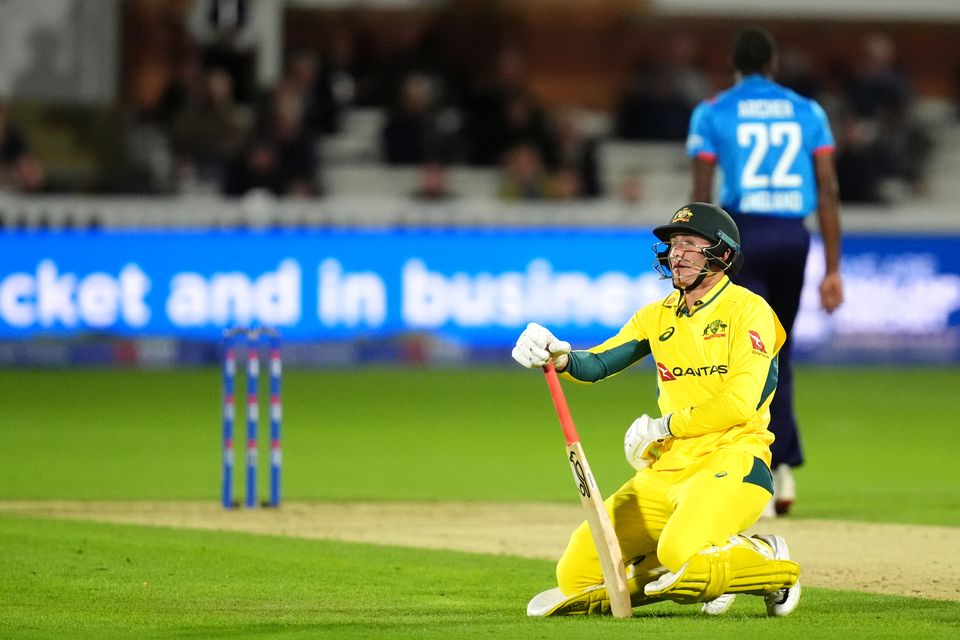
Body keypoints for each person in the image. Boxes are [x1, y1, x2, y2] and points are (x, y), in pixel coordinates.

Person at [513, 202, 800, 618]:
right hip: (667, 470)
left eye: (689, 244)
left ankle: (767, 558)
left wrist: (665, 426)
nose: (676, 254)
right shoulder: (657, 315)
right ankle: (702, 564)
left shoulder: (749, 310)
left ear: (722, 253)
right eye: (672, 245)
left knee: (680, 550)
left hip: (734, 460)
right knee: (575, 575)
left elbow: (739, 403)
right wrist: (559, 356)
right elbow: (599, 362)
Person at [686, 27, 843, 517]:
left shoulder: (713, 111)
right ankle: (783, 468)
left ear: (733, 63)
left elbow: (701, 193)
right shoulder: (808, 111)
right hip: (794, 237)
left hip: (742, 234)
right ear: (773, 62)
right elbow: (828, 188)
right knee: (779, 347)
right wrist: (833, 268)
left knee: (742, 352)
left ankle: (752, 470)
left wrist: (694, 256)